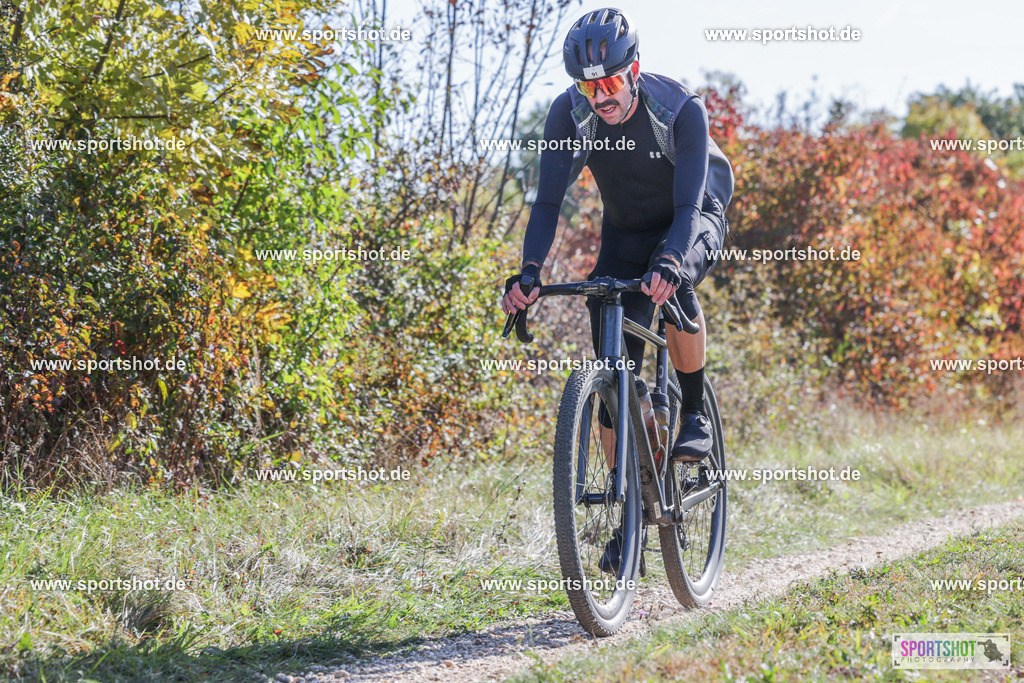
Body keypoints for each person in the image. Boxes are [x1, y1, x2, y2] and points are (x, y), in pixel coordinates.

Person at [501, 7, 734, 464]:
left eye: (609, 83)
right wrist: (529, 272)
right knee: (610, 352)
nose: (600, 97)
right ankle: (620, 499)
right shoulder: (569, 115)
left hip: (694, 215)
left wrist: (668, 260)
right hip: (626, 231)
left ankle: (693, 415)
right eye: (589, 87)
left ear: (635, 71)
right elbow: (546, 202)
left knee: (674, 281)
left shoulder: (680, 109)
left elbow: (688, 206)